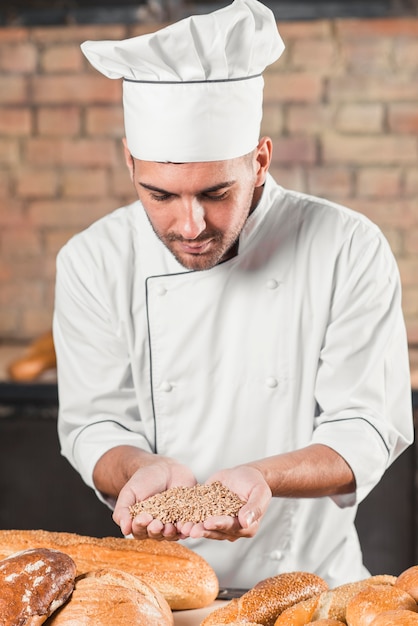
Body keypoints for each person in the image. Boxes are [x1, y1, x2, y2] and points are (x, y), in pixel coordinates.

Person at [53, 0, 413, 590]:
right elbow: (94, 422)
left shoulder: (346, 244)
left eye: (216, 192)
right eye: (160, 195)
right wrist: (141, 467)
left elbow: (367, 424)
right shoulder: (94, 260)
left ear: (260, 161)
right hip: (159, 593)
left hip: (312, 588)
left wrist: (262, 476)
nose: (189, 225)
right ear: (130, 162)